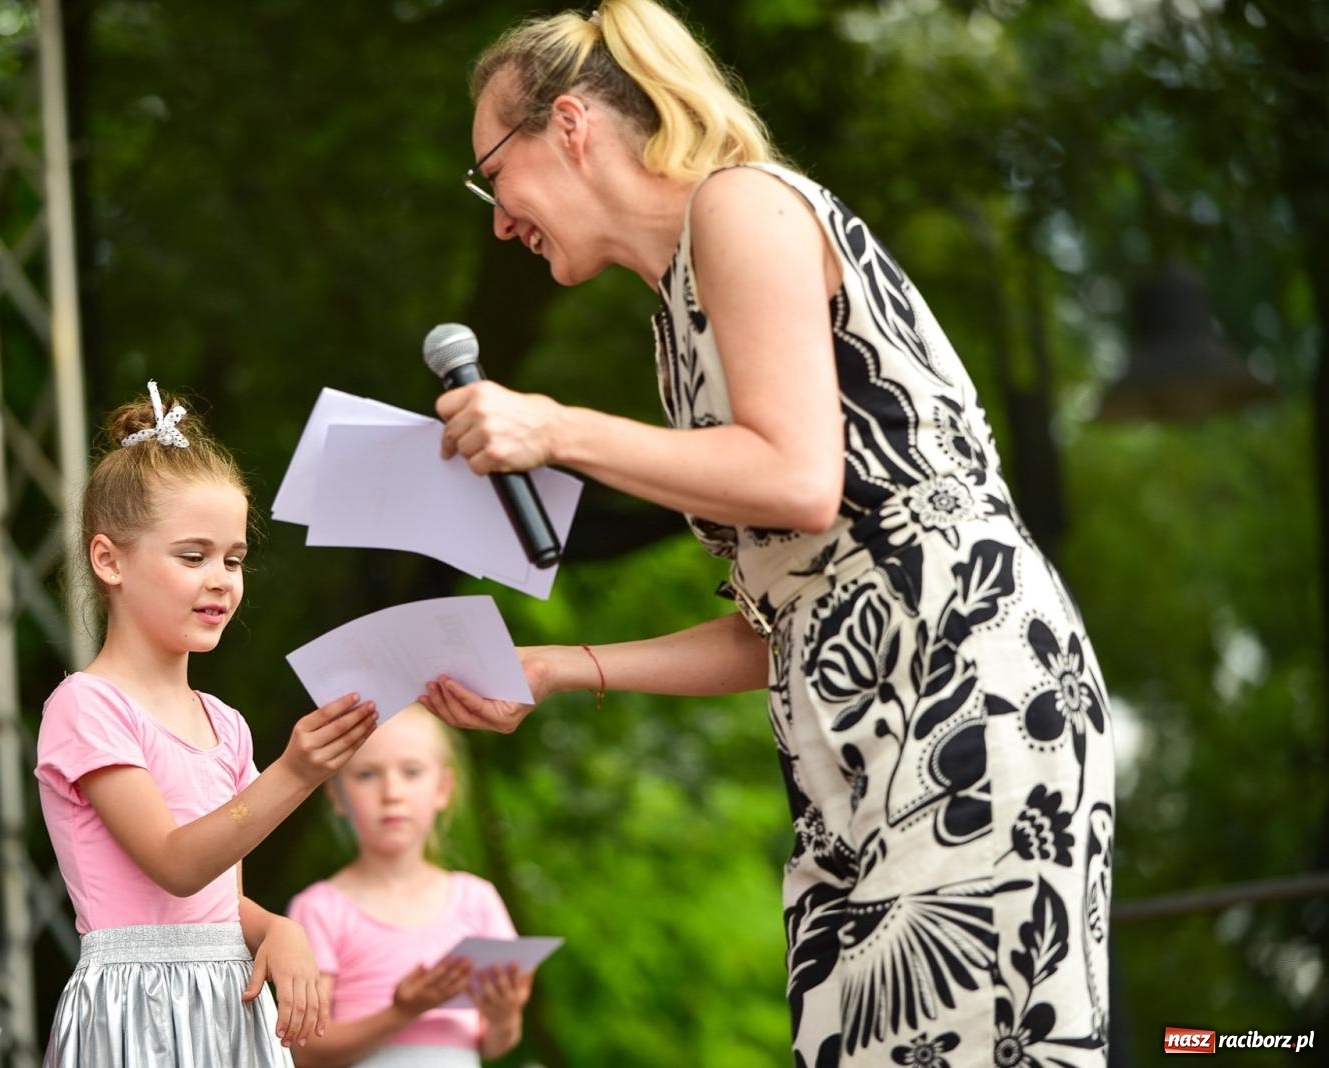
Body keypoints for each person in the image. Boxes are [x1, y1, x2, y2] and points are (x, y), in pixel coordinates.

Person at [419, 2, 1115, 1065]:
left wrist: (554, 427)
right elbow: (791, 618)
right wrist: (561, 668)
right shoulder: (676, 326)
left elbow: (796, 480)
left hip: (964, 706)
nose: (498, 219)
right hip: (853, 752)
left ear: (568, 126)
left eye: (492, 173)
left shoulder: (739, 207)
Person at [35, 381, 380, 1067]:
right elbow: (176, 865)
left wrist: (272, 928)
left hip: (226, 1011)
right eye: (193, 557)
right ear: (109, 560)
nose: (221, 578)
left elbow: (220, 903)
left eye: (234, 558)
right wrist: (298, 772)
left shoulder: (224, 722)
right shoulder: (86, 706)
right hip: (139, 1015)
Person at [286, 705, 533, 1068]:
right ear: (336, 795)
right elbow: (304, 1050)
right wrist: (401, 1012)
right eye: (367, 774)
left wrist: (504, 1016)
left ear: (443, 788)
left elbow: (496, 1044)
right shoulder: (319, 909)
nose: (392, 792)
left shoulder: (477, 900)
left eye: (412, 772)